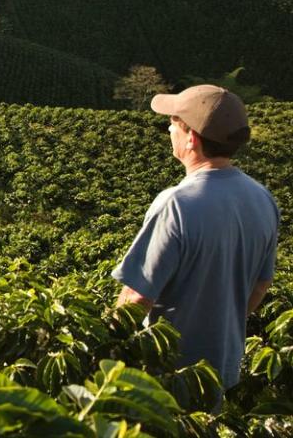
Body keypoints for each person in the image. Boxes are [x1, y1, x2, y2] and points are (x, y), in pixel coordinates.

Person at [112, 84, 279, 391]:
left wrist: (105, 351)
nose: (169, 128)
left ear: (191, 138)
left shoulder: (176, 203)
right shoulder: (263, 199)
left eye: (174, 122)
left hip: (168, 375)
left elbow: (138, 298)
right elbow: (261, 284)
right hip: (221, 371)